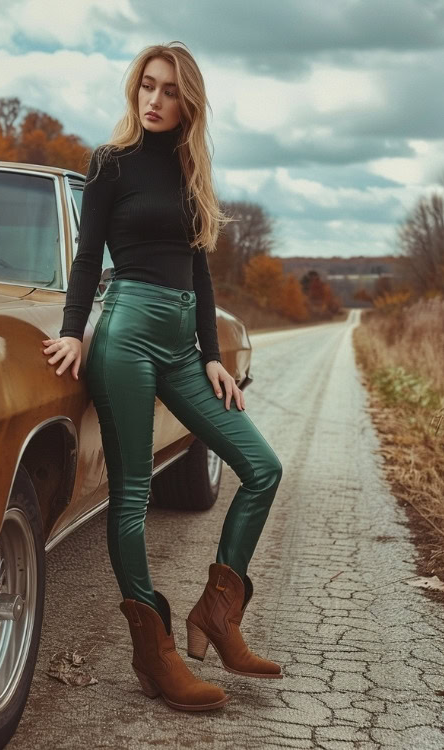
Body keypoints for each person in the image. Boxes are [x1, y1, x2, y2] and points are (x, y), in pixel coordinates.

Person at [42, 41, 283, 712]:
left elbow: (199, 271)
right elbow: (87, 259)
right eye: (146, 85)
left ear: (189, 102)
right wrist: (71, 332)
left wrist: (210, 352)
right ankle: (155, 653)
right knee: (133, 494)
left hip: (180, 345)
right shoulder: (109, 165)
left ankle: (218, 614)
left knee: (262, 467)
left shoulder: (191, 169)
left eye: (169, 90)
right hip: (125, 336)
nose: (153, 99)